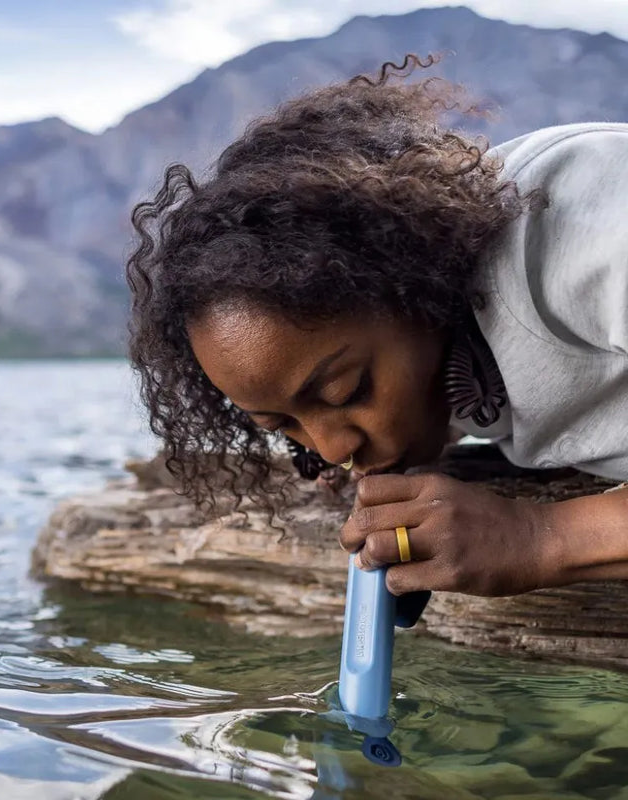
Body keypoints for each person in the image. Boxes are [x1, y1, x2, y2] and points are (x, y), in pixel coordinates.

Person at [126, 54, 628, 600]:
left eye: (347, 390)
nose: (333, 447)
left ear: (414, 280)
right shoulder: (432, 350)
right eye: (284, 425)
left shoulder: (585, 223)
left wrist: (544, 537)